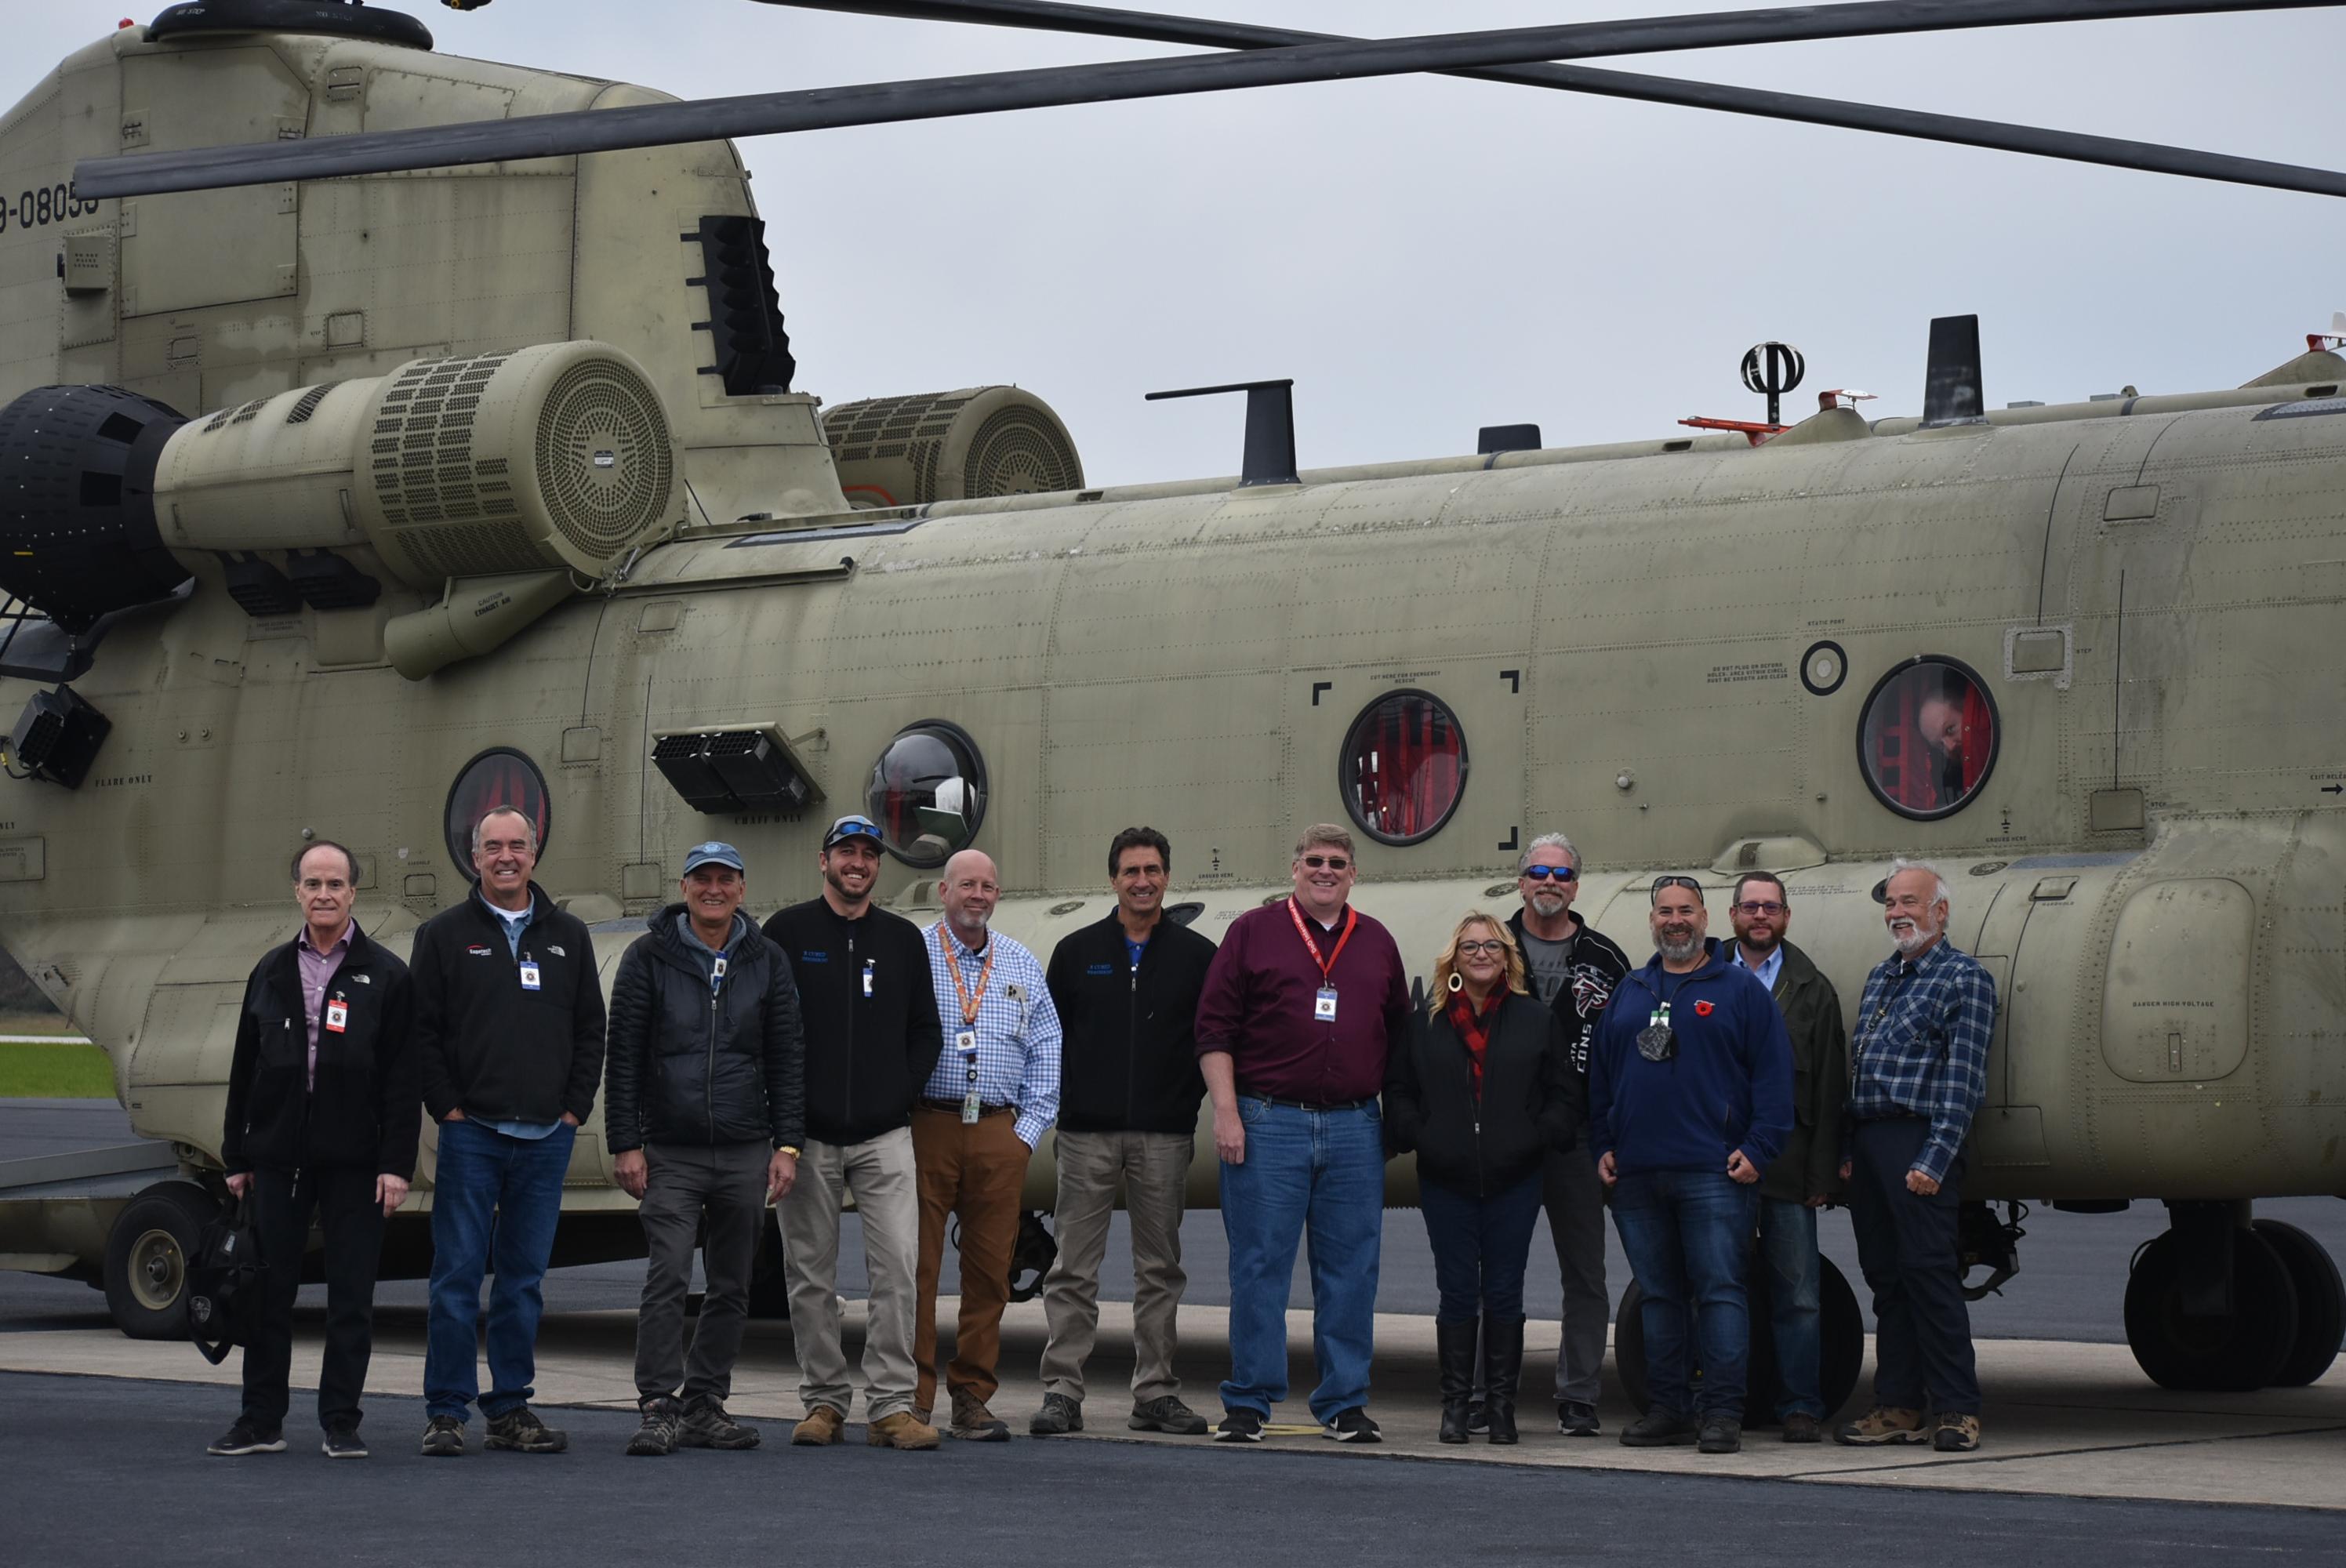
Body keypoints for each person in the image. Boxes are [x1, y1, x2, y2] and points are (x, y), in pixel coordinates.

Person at [1196, 823, 1411, 1445]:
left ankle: (1344, 1401)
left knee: (1351, 1270)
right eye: (1314, 860)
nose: (1325, 871)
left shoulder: (1375, 941)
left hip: (1352, 1126)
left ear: (1353, 875)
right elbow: (1214, 1030)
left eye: (1337, 863)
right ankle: (1249, 1401)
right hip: (1270, 1122)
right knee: (1260, 1266)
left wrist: (1389, 1119)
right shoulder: (1251, 933)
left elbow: (1398, 1036)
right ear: (1294, 869)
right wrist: (1228, 1113)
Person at [209, 841, 416, 1459]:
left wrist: (395, 1165)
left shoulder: (386, 975)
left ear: (354, 892)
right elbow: (244, 1070)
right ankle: (261, 1420)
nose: (324, 894)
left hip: (355, 1161)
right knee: (268, 1294)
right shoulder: (271, 971)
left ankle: (341, 1422)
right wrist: (237, 1156)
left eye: (336, 883)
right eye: (312, 883)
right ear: (297, 892)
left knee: (351, 1296)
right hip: (277, 1159)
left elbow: (403, 1079)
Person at [410, 804, 606, 1459]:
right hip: (473, 1133)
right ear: (474, 855)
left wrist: (573, 1110)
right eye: (493, 846)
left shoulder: (569, 936)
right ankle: (445, 1410)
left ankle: (511, 1407)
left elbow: (589, 1030)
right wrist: (449, 1109)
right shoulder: (442, 935)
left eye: (516, 845)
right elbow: (424, 1032)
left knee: (523, 1281)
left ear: (534, 851)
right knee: (457, 1276)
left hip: (545, 1136)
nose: (505, 856)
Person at [605, 841, 805, 1457]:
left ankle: (705, 1402)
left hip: (745, 1146)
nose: (713, 889)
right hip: (672, 1148)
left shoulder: (767, 959)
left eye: (724, 879)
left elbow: (787, 1055)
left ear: (742, 888)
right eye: (702, 879)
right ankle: (659, 1402)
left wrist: (788, 1145)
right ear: (685, 887)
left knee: (732, 1282)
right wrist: (626, 1143)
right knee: (666, 1273)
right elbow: (625, 1055)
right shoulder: (647, 958)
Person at [1589, 875, 1792, 1456]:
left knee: (1721, 1292)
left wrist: (1758, 1150)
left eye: (1686, 911)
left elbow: (1775, 1078)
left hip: (1713, 1174)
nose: (1675, 921)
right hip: (1637, 1176)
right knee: (1658, 1295)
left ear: (1706, 918)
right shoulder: (1630, 990)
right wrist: (1602, 1142)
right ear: (1651, 920)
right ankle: (1669, 1407)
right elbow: (1600, 1078)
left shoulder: (1740, 989)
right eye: (1664, 912)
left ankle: (1722, 1411)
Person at [763, 814, 946, 1452]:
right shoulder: (786, 933)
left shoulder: (902, 939)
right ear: (824, 861)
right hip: (807, 1136)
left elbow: (927, 1030)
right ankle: (823, 1401)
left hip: (885, 1136)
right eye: (847, 852)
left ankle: (893, 1406)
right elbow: (765, 1030)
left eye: (869, 854)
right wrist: (783, 1117)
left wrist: (899, 1091)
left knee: (897, 1266)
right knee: (808, 1273)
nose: (858, 863)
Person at [1031, 827, 1217, 1438]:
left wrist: (1183, 1105)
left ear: (1168, 877)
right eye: (1132, 871)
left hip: (1164, 1135)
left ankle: (1156, 1392)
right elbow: (1051, 1040)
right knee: (1073, 1269)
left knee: (1159, 1269)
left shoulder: (1196, 957)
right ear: (1113, 878)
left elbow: (1210, 1040)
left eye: (1154, 870)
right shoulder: (1077, 951)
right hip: (1086, 1134)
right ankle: (1062, 1390)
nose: (1143, 881)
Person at [1383, 913, 1576, 1445]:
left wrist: (1538, 1135)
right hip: (1447, 1179)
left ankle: (1502, 1408)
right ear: (1454, 958)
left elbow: (1563, 1095)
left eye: (1492, 946)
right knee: (1457, 1294)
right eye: (1470, 947)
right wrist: (1419, 1134)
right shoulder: (1425, 1023)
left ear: (1508, 957)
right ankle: (1454, 1407)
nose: (1481, 954)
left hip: (1515, 1179)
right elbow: (1399, 1089)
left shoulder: (1536, 1020)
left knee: (1506, 1294)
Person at [1834, 859, 1995, 1454]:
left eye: (1910, 901)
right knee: (1887, 1281)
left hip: (1919, 1141)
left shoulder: (1963, 979)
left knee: (1929, 1277)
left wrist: (1935, 1157)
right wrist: (1850, 1150)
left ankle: (1957, 1409)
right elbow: (1860, 1070)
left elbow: (1963, 1081)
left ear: (1941, 911)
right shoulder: (1882, 977)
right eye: (1891, 903)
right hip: (1872, 1143)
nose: (1898, 912)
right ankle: (1898, 1404)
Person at [913, 848, 1062, 1440]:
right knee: (917, 1269)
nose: (978, 895)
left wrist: (1024, 1135)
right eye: (967, 885)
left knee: (989, 1273)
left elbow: (1048, 1047)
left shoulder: (1021, 962)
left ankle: (972, 1396)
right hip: (929, 1124)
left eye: (988, 886)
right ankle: (914, 1397)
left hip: (999, 1131)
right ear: (944, 891)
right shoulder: (915, 956)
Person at [1505, 831, 1631, 1437]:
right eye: (1539, 872)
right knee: (1495, 1271)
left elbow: (1630, 1053)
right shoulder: (1488, 948)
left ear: (1576, 886)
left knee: (1585, 1273)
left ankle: (1578, 1395)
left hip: (1578, 1137)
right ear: (1521, 880)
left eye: (1561, 874)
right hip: (1504, 1135)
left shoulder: (1606, 959)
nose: (1549, 883)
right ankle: (1488, 1391)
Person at [1725, 872, 1848, 1443]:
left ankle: (1801, 1404)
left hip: (1788, 1166)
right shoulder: (1699, 975)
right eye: (1750, 906)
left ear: (1786, 917)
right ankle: (1717, 1400)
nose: (1760, 916)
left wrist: (1822, 1173)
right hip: (1715, 1167)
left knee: (1798, 1295)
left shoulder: (1811, 989)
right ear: (1732, 916)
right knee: (1713, 1285)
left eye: (1770, 907)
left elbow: (1829, 1088)